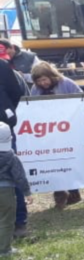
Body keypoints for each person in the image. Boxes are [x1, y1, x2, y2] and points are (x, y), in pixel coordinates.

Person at [30, 62, 84, 209]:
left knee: (69, 159)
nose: (43, 83)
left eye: (45, 79)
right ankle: (59, 192)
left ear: (52, 76)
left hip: (68, 128)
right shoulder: (36, 89)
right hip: (48, 130)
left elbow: (81, 99)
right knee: (52, 160)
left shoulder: (66, 84)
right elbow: (32, 107)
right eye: (39, 81)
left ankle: (74, 191)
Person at [0, 46, 27, 237]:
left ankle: (18, 221)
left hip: (2, 128)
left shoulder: (2, 66)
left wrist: (5, 112)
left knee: (10, 172)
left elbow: (16, 92)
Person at [0, 123, 30, 256]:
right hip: (6, 191)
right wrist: (27, 193)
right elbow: (19, 176)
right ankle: (4, 249)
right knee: (6, 220)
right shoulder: (11, 156)